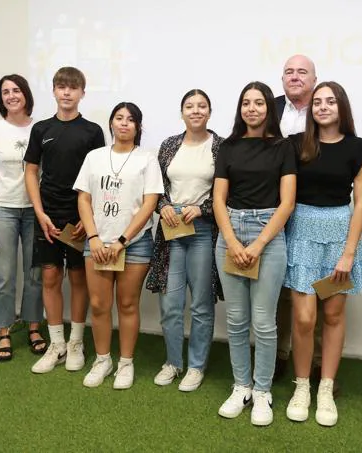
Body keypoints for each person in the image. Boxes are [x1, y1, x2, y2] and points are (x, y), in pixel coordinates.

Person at [283, 82, 362, 427]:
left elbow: (361, 202)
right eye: (317, 102)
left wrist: (348, 253)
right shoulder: (295, 145)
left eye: (329, 101)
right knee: (304, 319)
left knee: (333, 316)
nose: (322, 107)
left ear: (341, 107)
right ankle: (302, 386)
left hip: (339, 239)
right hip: (301, 234)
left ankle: (326, 388)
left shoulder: (357, 148)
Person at [214, 81, 296, 426]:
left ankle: (262, 391)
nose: (252, 108)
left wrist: (258, 244)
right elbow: (219, 199)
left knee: (263, 322)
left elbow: (287, 201)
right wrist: (232, 241)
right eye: (246, 103)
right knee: (236, 321)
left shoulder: (283, 147)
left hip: (269, 234)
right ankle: (241, 386)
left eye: (259, 103)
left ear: (269, 108)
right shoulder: (229, 146)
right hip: (230, 233)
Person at [74, 102, 163, 390]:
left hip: (134, 245)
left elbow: (150, 203)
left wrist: (123, 240)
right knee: (99, 305)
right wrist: (94, 237)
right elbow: (84, 199)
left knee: (127, 304)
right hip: (97, 244)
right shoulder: (94, 157)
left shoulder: (147, 159)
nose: (124, 123)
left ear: (138, 127)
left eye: (131, 120)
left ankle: (126, 362)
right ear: (111, 123)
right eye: (119, 118)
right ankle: (103, 360)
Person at [23, 67, 105, 374]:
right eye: (61, 87)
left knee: (80, 279)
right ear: (54, 91)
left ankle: (75, 343)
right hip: (48, 216)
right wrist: (40, 211)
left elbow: (99, 176)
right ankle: (56, 345)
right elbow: (31, 171)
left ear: (82, 92)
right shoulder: (41, 129)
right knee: (50, 277)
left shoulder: (93, 131)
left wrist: (91, 216)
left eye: (73, 87)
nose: (67, 92)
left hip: (80, 218)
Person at [146, 89, 223, 392]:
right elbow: (157, 187)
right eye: (189, 106)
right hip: (171, 231)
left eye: (201, 105)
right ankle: (173, 363)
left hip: (203, 231)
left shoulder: (220, 147)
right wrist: (163, 206)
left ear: (209, 111)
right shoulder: (168, 145)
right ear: (182, 113)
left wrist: (201, 209)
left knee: (202, 304)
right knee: (171, 302)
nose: (195, 111)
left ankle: (196, 367)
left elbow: (223, 193)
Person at [0, 74, 46, 362]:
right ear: (1, 98)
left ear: (26, 94)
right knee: (3, 274)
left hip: (35, 209)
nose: (11, 95)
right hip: (2, 208)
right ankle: (3, 330)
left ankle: (33, 327)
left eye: (16, 90)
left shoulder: (41, 129)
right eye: (5, 92)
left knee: (35, 273)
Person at [272, 54, 320, 383]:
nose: (295, 77)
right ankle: (278, 355)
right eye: (289, 72)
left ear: (314, 79)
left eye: (302, 72)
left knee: (313, 289)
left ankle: (316, 362)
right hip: (274, 210)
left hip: (314, 209)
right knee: (278, 287)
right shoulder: (270, 108)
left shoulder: (326, 107)